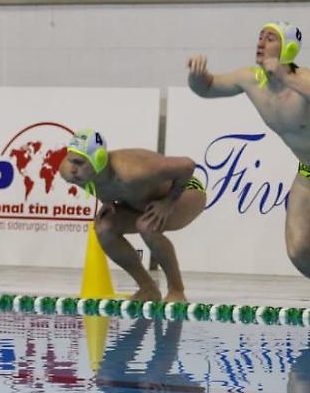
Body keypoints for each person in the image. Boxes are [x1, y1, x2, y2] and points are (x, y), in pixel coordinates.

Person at [187, 21, 310, 311]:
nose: (261, 42)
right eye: (260, 36)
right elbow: (206, 88)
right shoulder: (250, 78)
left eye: (271, 38)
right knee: (299, 252)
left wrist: (285, 76)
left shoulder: (307, 79)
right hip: (309, 171)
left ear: (288, 48)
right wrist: (196, 76)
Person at [57, 129, 205, 303]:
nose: (72, 169)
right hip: (140, 202)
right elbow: (97, 183)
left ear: (99, 159)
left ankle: (176, 290)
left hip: (185, 191)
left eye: (79, 163)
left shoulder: (133, 171)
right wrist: (106, 198)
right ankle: (148, 289)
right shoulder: (68, 171)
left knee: (147, 226)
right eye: (71, 160)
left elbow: (187, 165)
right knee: (104, 228)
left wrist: (167, 203)